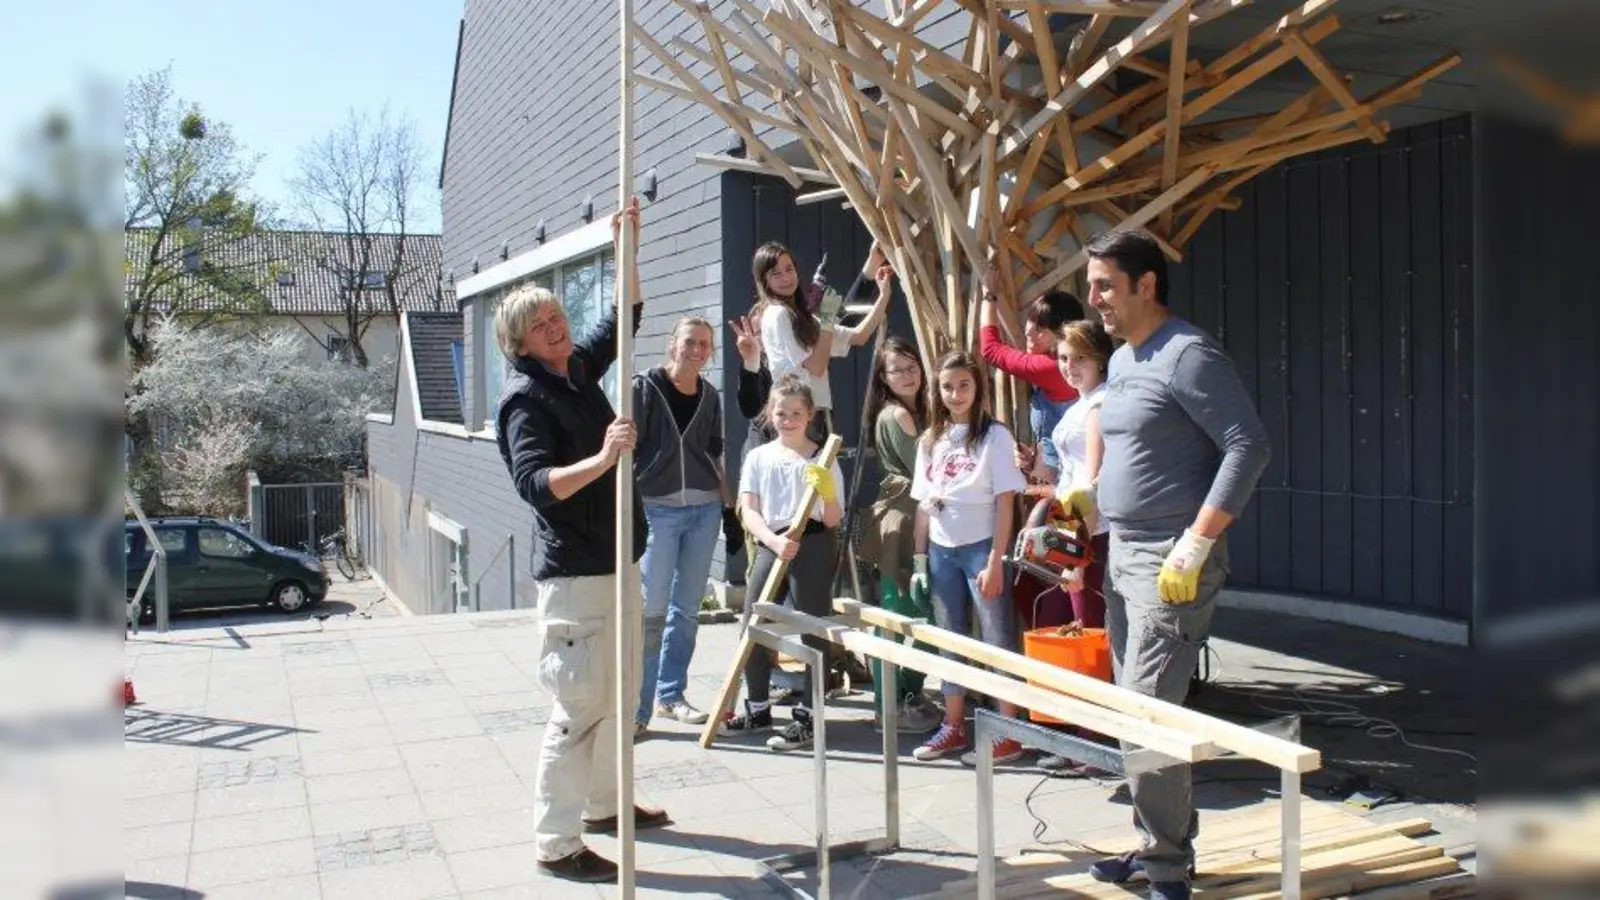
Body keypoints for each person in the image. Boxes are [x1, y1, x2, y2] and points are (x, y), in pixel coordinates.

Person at [1067, 229, 1270, 900]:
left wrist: (1199, 540)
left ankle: (1167, 872)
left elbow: (1248, 446)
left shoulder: (1188, 354)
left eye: (1103, 285)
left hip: (1171, 559)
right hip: (1122, 553)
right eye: (1091, 285)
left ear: (1145, 284)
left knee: (1149, 714)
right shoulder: (1125, 358)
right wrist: (1090, 495)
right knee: (1136, 711)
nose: (1092, 298)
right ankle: (1158, 842)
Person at [493, 197, 668, 885]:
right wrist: (602, 458)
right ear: (521, 345)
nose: (555, 326)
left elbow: (621, 319)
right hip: (575, 577)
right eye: (540, 326)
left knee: (617, 693)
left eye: (556, 316)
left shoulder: (576, 372)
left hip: (617, 559)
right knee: (578, 704)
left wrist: (629, 247)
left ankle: (602, 804)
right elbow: (536, 485)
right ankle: (555, 840)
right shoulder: (524, 401)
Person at [908, 351, 1030, 766]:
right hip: (942, 548)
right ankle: (954, 724)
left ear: (977, 387)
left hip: (981, 545)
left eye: (964, 384)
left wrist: (997, 558)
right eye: (947, 386)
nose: (955, 394)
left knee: (997, 637)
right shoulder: (931, 440)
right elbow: (923, 503)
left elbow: (1006, 502)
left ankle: (1009, 732)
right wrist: (920, 558)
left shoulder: (995, 436)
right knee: (950, 636)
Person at [721, 374, 845, 752]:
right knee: (753, 623)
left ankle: (809, 713)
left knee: (813, 626)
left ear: (809, 415)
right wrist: (773, 541)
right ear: (770, 415)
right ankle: (758, 706)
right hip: (772, 543)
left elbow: (833, 517)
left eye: (796, 412)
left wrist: (825, 492)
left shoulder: (822, 457)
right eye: (781, 412)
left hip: (811, 543)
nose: (788, 419)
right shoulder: (759, 456)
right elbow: (748, 509)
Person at [631, 316, 726, 735]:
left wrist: (728, 508)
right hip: (658, 510)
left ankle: (671, 695)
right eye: (689, 342)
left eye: (704, 344)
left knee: (686, 610)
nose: (697, 350)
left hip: (704, 510)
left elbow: (715, 450)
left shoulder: (711, 395)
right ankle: (637, 709)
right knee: (652, 610)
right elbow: (628, 447)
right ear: (673, 345)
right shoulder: (645, 388)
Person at [858, 335, 944, 735]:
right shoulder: (897, 416)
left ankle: (906, 694)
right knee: (903, 614)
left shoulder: (913, 410)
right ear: (883, 376)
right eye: (898, 369)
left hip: (907, 518)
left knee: (912, 612)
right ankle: (889, 705)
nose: (908, 375)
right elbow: (925, 473)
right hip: (906, 521)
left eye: (913, 367)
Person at [1022, 319, 1116, 632]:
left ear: (1099, 360)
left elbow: (1090, 485)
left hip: (1090, 531)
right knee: (1067, 622)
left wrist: (1077, 558)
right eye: (1063, 358)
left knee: (1088, 626)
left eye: (1080, 357)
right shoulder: (1083, 402)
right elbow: (1069, 476)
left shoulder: (1098, 405)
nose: (1069, 366)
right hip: (1070, 525)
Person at [753, 241, 894, 440]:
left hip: (817, 413)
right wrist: (828, 321)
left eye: (789, 269)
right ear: (764, 280)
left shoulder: (803, 318)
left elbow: (860, 336)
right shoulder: (777, 314)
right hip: (796, 414)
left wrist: (884, 294)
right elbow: (816, 366)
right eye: (776, 273)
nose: (785, 277)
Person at [977, 261, 1083, 480]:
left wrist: (989, 295)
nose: (1028, 332)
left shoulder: (1053, 367)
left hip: (1067, 485)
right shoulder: (1072, 361)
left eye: (1040, 329)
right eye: (1031, 321)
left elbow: (990, 350)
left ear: (1064, 335)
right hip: (1056, 475)